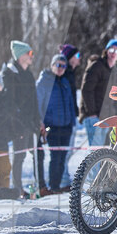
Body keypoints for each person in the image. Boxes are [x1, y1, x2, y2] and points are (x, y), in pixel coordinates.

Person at [2, 40, 43, 195]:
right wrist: (19, 120)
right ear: (20, 56)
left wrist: (38, 120)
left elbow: (34, 101)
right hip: (18, 123)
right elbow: (9, 103)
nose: (32, 56)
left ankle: (39, 186)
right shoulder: (9, 73)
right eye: (29, 53)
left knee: (37, 154)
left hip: (31, 122)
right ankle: (17, 188)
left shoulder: (29, 74)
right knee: (19, 155)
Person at [35, 54, 78, 194]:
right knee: (55, 157)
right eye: (58, 65)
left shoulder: (65, 81)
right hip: (51, 126)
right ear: (52, 65)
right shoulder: (44, 81)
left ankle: (57, 185)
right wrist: (40, 122)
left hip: (66, 125)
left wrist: (72, 121)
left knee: (63, 157)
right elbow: (37, 103)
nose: (60, 68)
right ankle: (53, 186)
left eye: (63, 66)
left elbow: (70, 103)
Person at [79, 38, 117, 147]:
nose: (113, 53)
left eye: (116, 51)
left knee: (100, 155)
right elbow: (86, 90)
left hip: (105, 118)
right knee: (95, 154)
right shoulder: (97, 66)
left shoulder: (113, 71)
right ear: (106, 51)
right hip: (94, 117)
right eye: (111, 50)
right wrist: (92, 113)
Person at [57, 43, 81, 190]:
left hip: (71, 117)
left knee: (68, 150)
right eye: (77, 56)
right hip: (63, 119)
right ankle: (62, 181)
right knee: (63, 151)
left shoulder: (71, 72)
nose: (79, 59)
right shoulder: (63, 72)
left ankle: (64, 179)